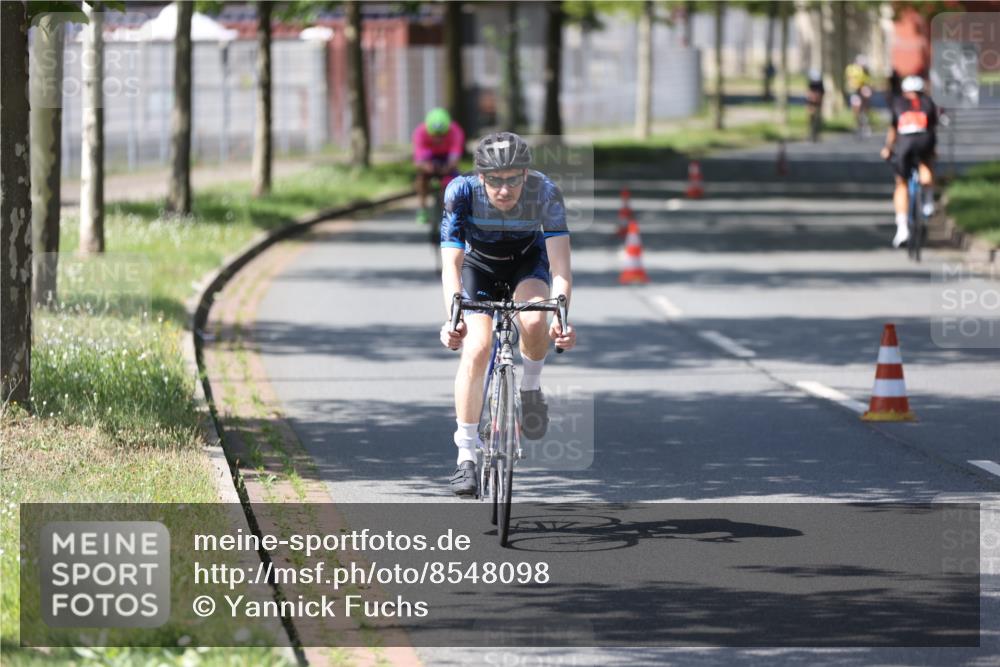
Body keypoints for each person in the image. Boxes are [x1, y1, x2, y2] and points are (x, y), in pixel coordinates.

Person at [438, 132, 577, 497]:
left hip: (527, 263)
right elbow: (451, 264)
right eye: (494, 180)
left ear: (526, 175)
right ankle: (465, 457)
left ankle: (530, 388)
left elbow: (561, 267)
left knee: (534, 320)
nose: (504, 189)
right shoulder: (461, 191)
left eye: (513, 179)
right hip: (479, 266)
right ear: (480, 176)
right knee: (477, 348)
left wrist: (561, 317)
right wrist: (453, 317)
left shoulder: (545, 191)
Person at [880, 75, 938, 248]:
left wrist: (888, 148)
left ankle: (902, 228)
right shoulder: (929, 103)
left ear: (905, 91)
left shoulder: (898, 103)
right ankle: (928, 201)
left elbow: (893, 129)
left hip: (905, 145)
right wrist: (933, 150)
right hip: (925, 142)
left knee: (901, 184)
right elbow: (932, 128)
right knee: (926, 163)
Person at [412, 108, 465, 225]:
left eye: (442, 135)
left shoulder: (456, 131)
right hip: (429, 156)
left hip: (447, 157)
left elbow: (455, 158)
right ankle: (422, 209)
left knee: (455, 182)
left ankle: (452, 209)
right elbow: (418, 161)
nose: (438, 139)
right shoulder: (420, 132)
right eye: (435, 135)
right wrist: (428, 167)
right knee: (421, 179)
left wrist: (447, 169)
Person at [845, 55, 873, 137]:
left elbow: (868, 82)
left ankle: (865, 123)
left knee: (865, 105)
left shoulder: (866, 71)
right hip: (855, 91)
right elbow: (849, 80)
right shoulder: (851, 69)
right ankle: (857, 125)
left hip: (862, 89)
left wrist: (867, 88)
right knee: (856, 109)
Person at [806, 69, 825, 142]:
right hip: (811, 102)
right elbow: (809, 93)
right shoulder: (811, 84)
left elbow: (822, 94)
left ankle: (816, 133)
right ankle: (811, 133)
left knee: (817, 118)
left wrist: (818, 100)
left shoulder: (820, 85)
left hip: (818, 102)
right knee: (811, 116)